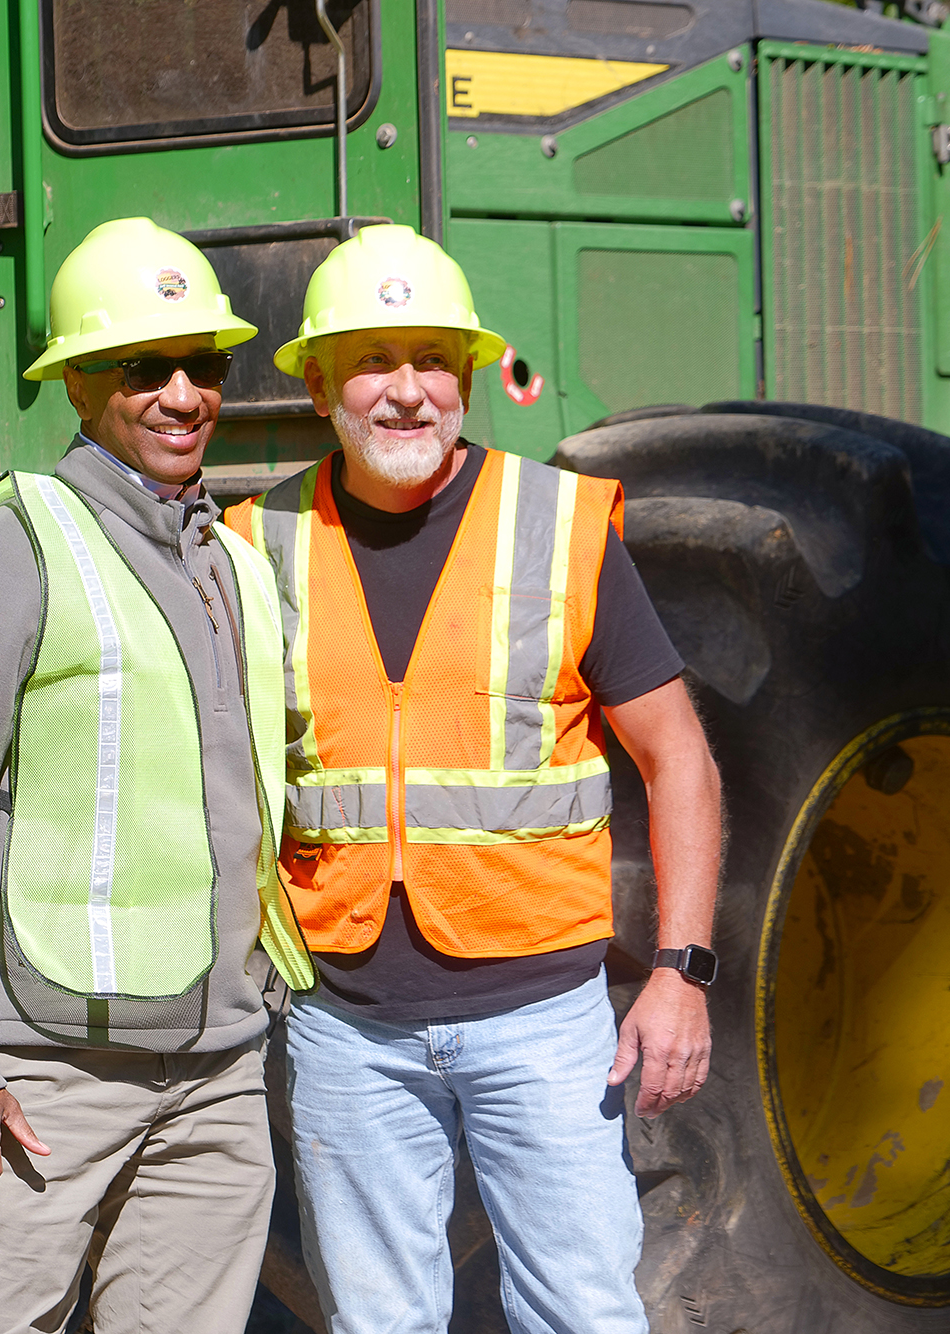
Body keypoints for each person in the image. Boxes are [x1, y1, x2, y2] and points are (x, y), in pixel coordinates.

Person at [225, 224, 722, 1334]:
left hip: (540, 1022)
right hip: (346, 1026)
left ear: (466, 378)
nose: (406, 392)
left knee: (582, 1315)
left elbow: (676, 755)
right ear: (315, 382)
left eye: (434, 361)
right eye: (371, 359)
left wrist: (680, 968)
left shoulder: (555, 525)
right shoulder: (253, 543)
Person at [0, 216, 313, 1334]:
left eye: (203, 365)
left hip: (216, 1074)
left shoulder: (227, 559)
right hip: (44, 1077)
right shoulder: (11, 545)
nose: (182, 393)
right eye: (143, 367)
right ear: (78, 385)